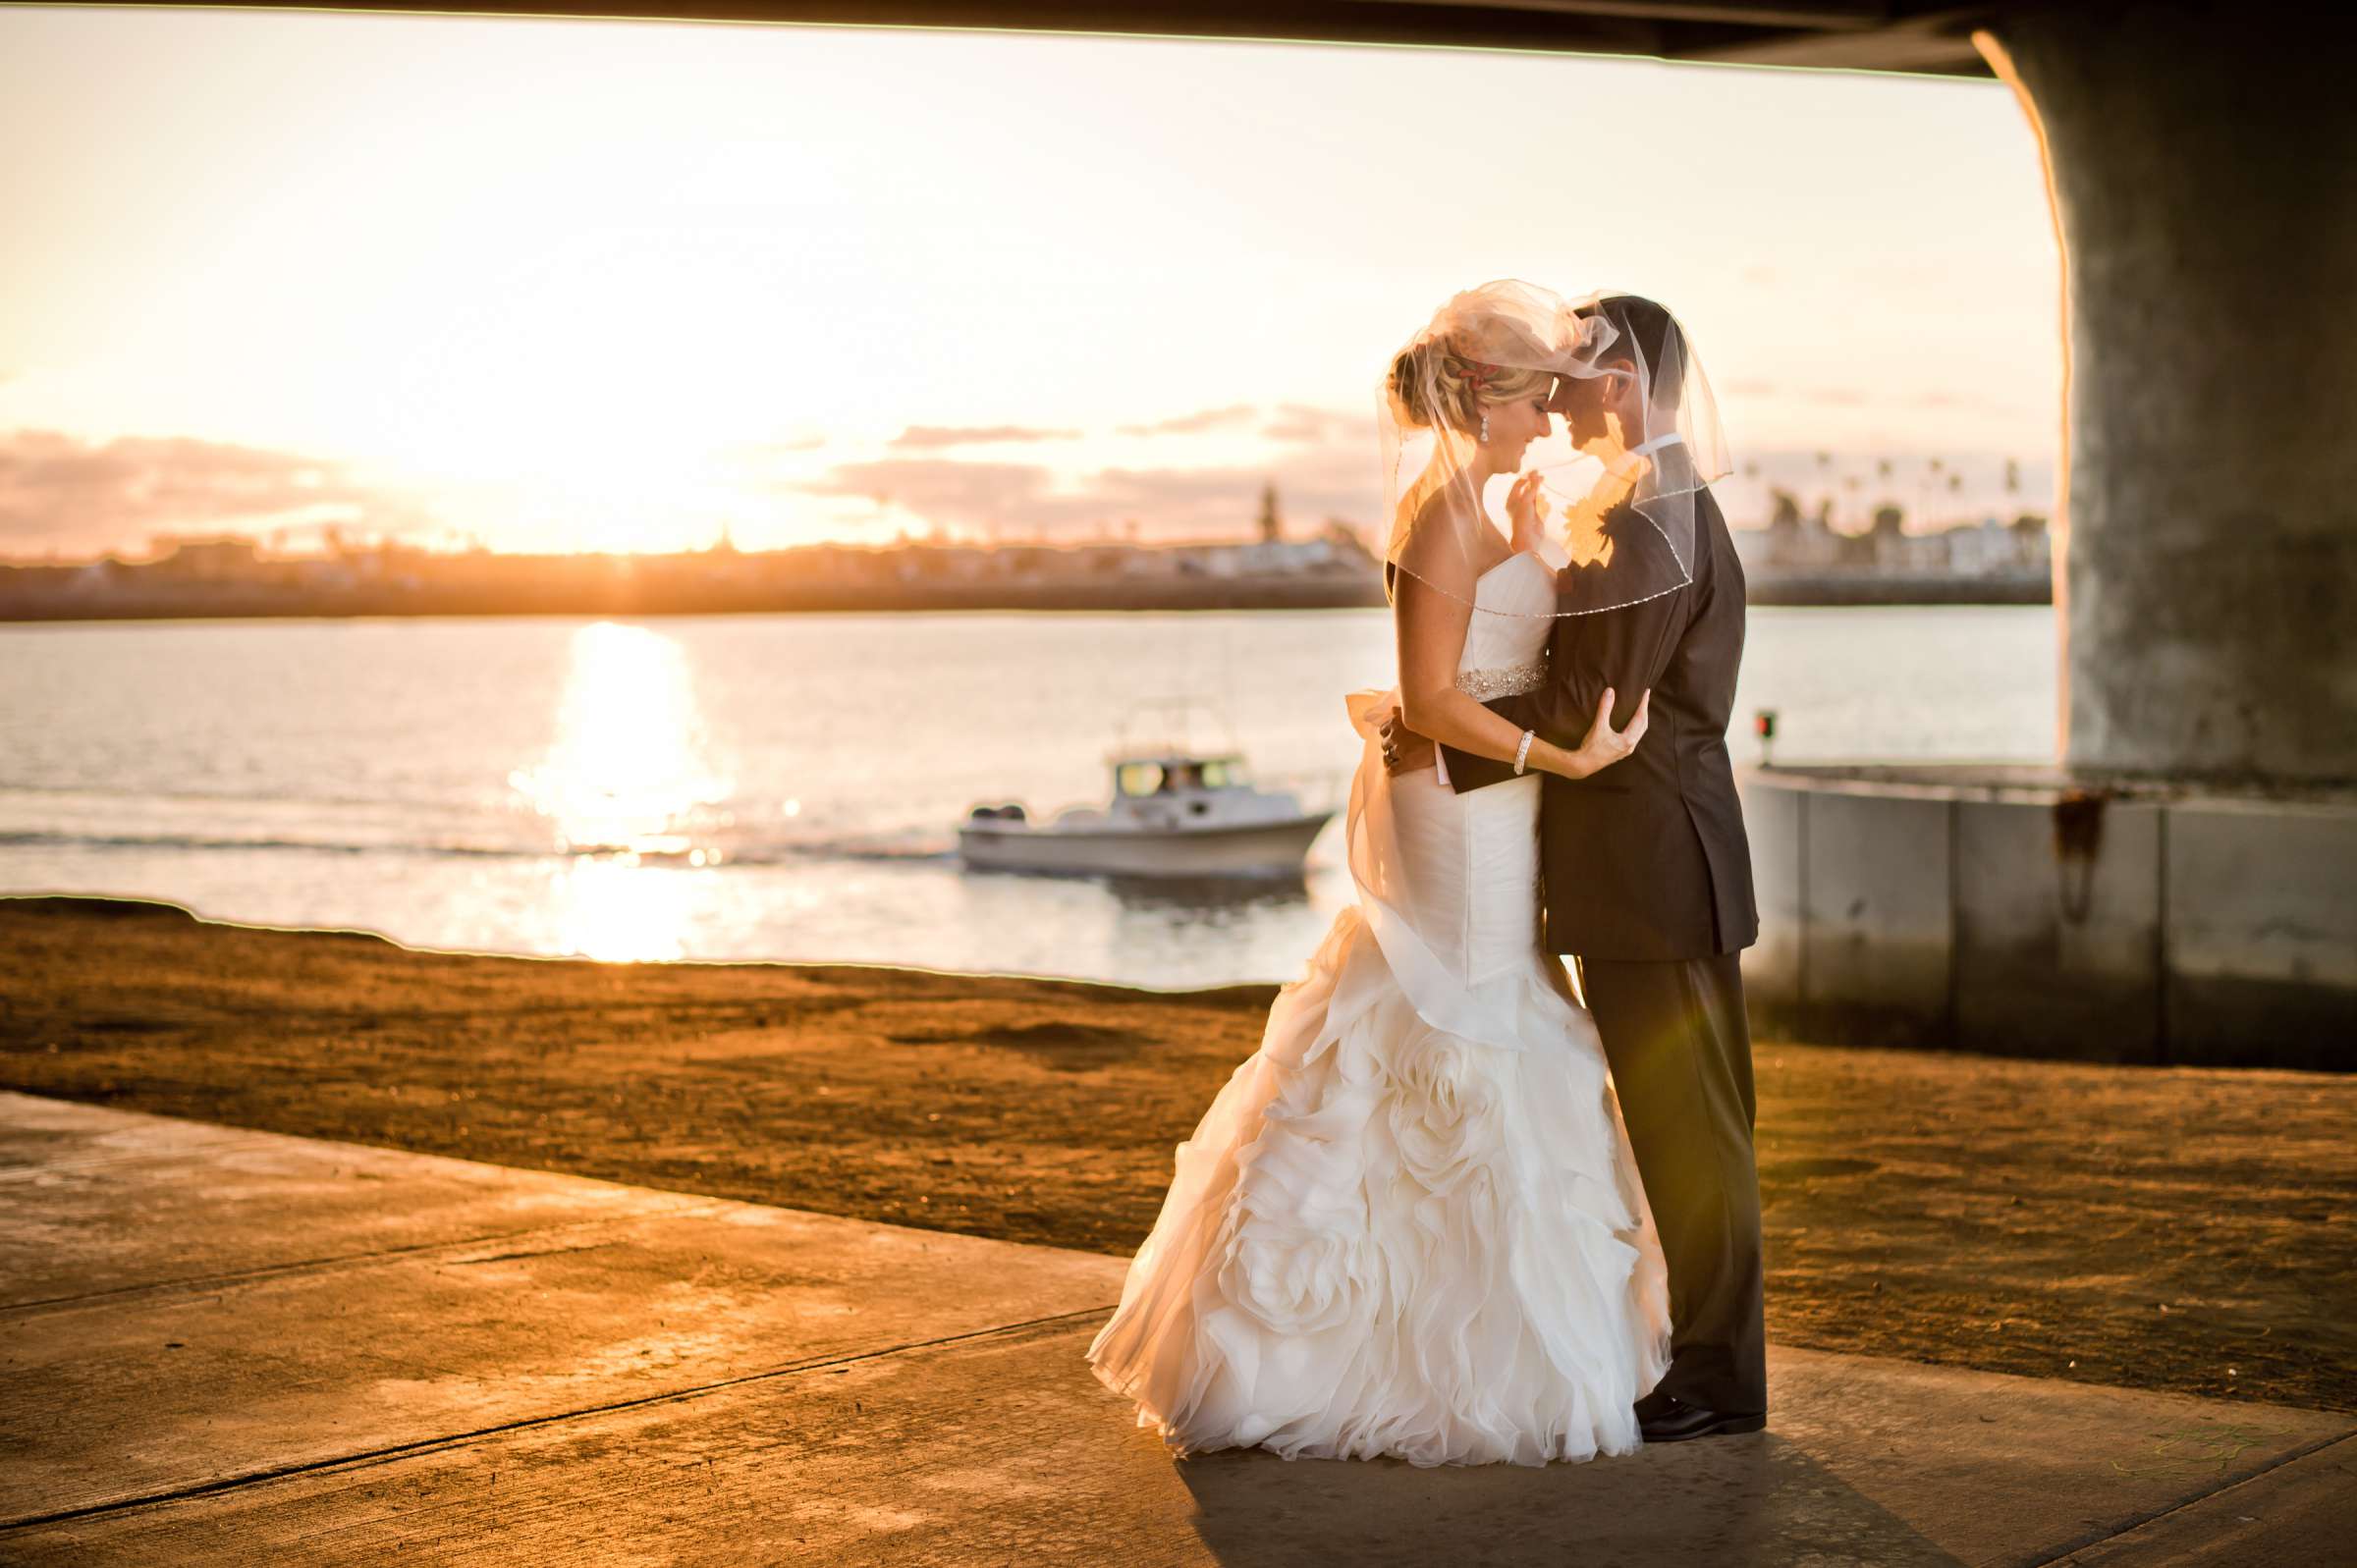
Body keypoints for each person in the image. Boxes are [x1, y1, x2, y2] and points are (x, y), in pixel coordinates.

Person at [1085, 281, 1672, 1467]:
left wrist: (1534, 563)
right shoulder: (1438, 517)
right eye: (1536, 377)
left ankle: (1485, 1323)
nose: (1557, 392)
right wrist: (1561, 752)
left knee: (1498, 1008)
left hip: (1497, 800)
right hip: (1458, 807)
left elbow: (1496, 652)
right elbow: (1431, 698)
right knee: (1446, 1011)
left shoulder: (1489, 503)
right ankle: (1354, 1352)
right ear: (1492, 396)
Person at [1383, 292, 1767, 1442]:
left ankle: (1715, 1380)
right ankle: (1713, 1365)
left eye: (1574, 374)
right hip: (1670, 854)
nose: (1552, 395)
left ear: (1625, 384)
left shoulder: (1649, 521)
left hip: (1648, 862)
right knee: (1700, 1124)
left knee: (1688, 1131)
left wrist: (1429, 728)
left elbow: (1593, 713)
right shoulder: (1662, 498)